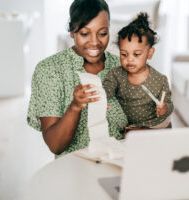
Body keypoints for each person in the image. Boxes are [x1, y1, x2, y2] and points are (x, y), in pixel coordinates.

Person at [27, 0, 128, 156]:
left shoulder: (121, 67)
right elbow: (55, 145)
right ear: (72, 32)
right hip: (74, 167)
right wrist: (75, 107)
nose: (95, 42)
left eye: (102, 33)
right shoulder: (50, 70)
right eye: (85, 33)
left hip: (120, 160)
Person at [103, 12, 173, 129]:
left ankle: (147, 132)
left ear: (150, 53)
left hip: (154, 122)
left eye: (136, 54)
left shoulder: (160, 80)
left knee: (165, 122)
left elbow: (168, 103)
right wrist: (103, 99)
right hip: (129, 123)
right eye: (124, 54)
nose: (129, 59)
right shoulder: (116, 74)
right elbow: (107, 89)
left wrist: (165, 108)